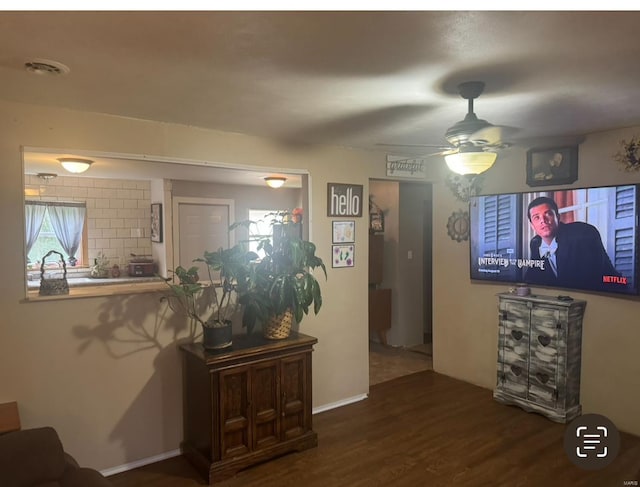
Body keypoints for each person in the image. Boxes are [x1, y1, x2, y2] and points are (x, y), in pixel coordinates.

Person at [524, 196, 620, 289]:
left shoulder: (582, 233)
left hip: (607, 295)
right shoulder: (536, 243)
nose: (543, 221)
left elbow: (588, 279)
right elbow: (533, 277)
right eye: (537, 217)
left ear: (558, 217)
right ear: (532, 225)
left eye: (548, 214)